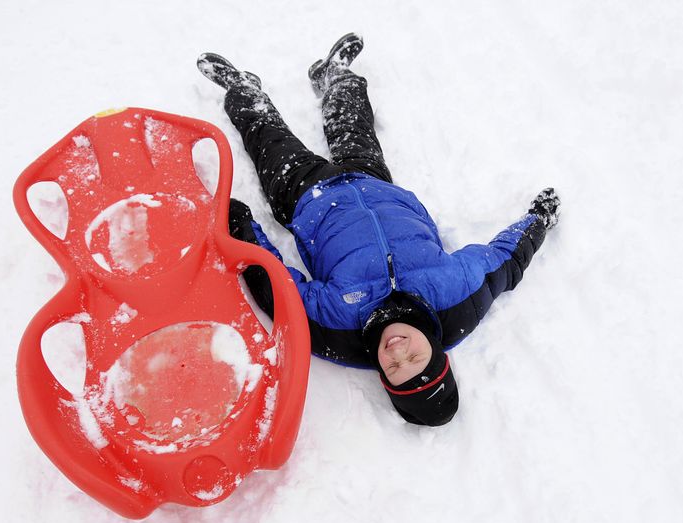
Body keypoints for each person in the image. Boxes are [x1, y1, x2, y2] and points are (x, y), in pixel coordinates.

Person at [196, 33, 560, 427]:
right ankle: (335, 75)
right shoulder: (458, 296)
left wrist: (242, 228)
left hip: (309, 199)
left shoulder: (337, 329)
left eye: (394, 367)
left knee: (269, 139)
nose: (398, 350)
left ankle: (242, 88)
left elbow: (275, 286)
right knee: (352, 120)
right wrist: (538, 219)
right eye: (416, 357)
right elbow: (505, 261)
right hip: (378, 188)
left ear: (383, 376)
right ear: (438, 352)